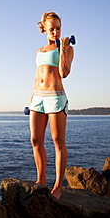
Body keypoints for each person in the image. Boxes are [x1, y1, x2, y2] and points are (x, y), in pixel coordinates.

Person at [29, 11, 74, 199]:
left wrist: (63, 48)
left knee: (58, 141)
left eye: (58, 28)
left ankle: (58, 186)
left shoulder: (67, 48)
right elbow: (38, 75)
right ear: (44, 29)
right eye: (52, 29)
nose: (55, 32)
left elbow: (64, 73)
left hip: (55, 97)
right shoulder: (39, 51)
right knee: (36, 140)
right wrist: (32, 98)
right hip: (37, 98)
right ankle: (41, 180)